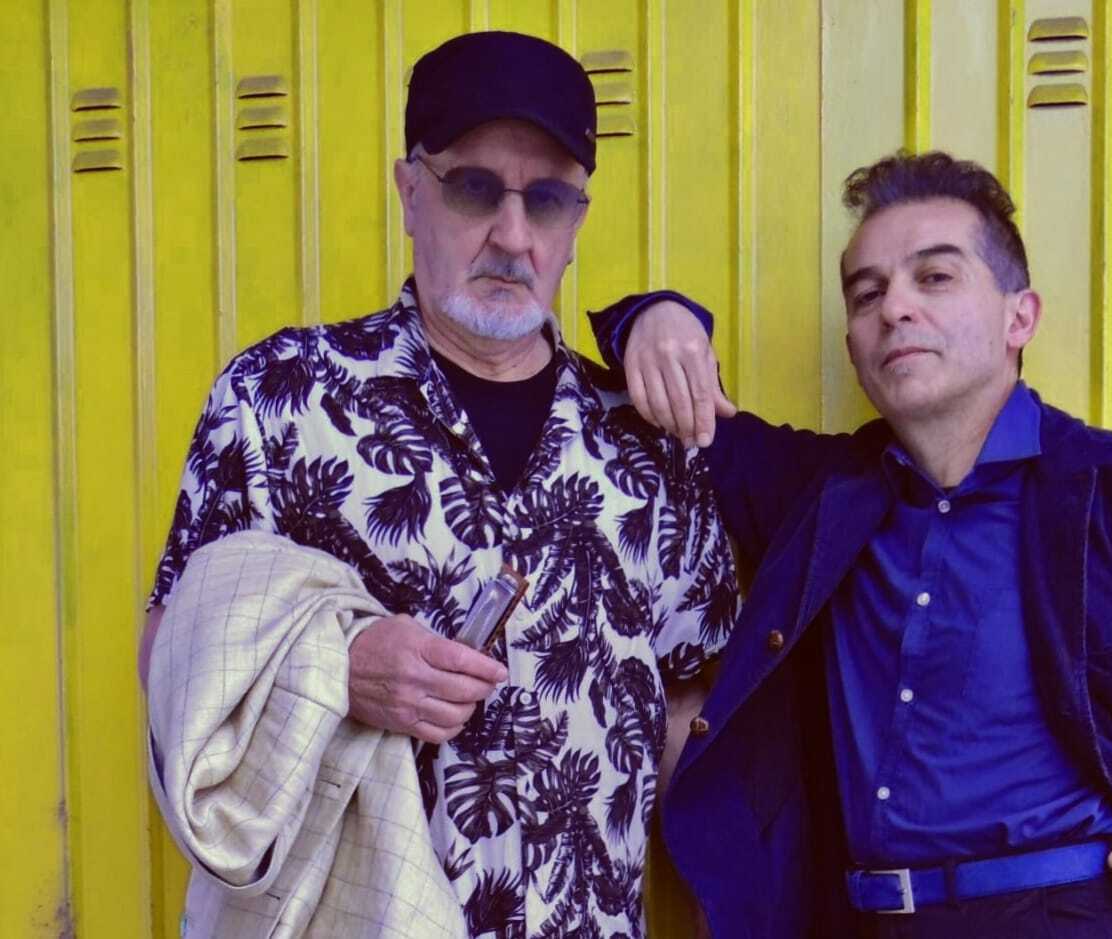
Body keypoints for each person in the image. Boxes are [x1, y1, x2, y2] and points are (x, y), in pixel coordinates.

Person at [588, 152, 1112, 938]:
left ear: (1020, 317)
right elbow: (683, 426)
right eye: (867, 293)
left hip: (1081, 916)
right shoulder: (822, 495)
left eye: (935, 277)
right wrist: (658, 318)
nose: (894, 308)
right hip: (867, 920)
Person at [138, 31, 738, 938]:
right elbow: (173, 655)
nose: (512, 235)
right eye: (474, 188)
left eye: (546, 199)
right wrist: (336, 669)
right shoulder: (280, 398)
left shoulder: (646, 441)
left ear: (576, 220)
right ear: (410, 191)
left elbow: (696, 687)